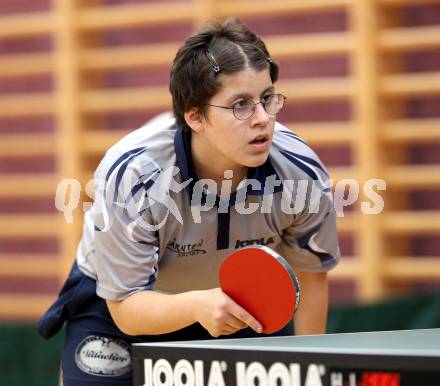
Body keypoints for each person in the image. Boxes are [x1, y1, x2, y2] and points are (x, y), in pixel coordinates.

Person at [38, 17, 340, 386]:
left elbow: (310, 277)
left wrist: (310, 373)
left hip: (231, 305)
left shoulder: (301, 174)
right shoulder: (135, 175)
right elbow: (127, 308)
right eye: (241, 105)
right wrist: (196, 305)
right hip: (117, 306)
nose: (263, 119)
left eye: (267, 99)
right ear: (196, 116)